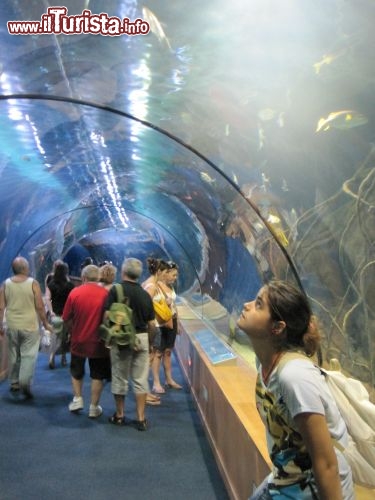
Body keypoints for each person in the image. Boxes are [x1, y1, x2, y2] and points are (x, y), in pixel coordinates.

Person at [237, 280, 354, 500]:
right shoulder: (264, 364)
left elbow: (326, 463)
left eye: (258, 304)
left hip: (318, 489)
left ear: (278, 327)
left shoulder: (293, 377)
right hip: (289, 478)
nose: (247, 305)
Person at [105, 258, 156, 430]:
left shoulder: (116, 290)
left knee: (120, 376)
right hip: (142, 338)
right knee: (141, 379)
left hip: (122, 339)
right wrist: (150, 343)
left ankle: (120, 415)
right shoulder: (145, 294)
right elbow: (152, 324)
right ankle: (141, 418)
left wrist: (110, 332)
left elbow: (106, 315)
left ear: (123, 272)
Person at [62, 264, 111, 418]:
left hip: (78, 339)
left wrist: (72, 330)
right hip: (99, 341)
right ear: (98, 277)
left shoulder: (75, 292)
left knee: (76, 370)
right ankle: (94, 407)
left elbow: (66, 318)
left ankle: (77, 399)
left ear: (83, 277)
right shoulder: (105, 294)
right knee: (97, 374)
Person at [0, 256, 52, 399]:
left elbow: (1, 307)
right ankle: (24, 382)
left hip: (12, 325)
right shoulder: (33, 283)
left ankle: (14, 382)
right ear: (24, 268)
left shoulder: (6, 284)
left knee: (14, 354)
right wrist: (45, 323)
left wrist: (0, 325)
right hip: (29, 326)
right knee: (28, 354)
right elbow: (40, 307)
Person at [142, 258, 171, 396]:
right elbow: (145, 307)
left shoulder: (151, 284)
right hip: (153, 326)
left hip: (155, 325)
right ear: (158, 271)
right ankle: (143, 390)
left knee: (151, 356)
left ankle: (144, 388)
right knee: (149, 357)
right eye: (165, 272)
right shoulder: (151, 286)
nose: (166, 275)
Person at [152, 260, 182, 391]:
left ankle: (169, 379)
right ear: (166, 273)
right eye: (173, 275)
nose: (175, 278)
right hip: (160, 323)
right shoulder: (156, 286)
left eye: (176, 276)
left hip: (172, 321)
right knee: (158, 353)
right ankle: (156, 382)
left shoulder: (171, 287)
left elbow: (174, 306)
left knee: (168, 351)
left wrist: (178, 323)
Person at [44, 260, 75, 369]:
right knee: (65, 336)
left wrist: (51, 311)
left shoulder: (51, 284)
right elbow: (73, 300)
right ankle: (63, 357)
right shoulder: (70, 285)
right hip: (66, 315)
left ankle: (51, 357)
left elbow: (47, 298)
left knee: (54, 336)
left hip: (55, 314)